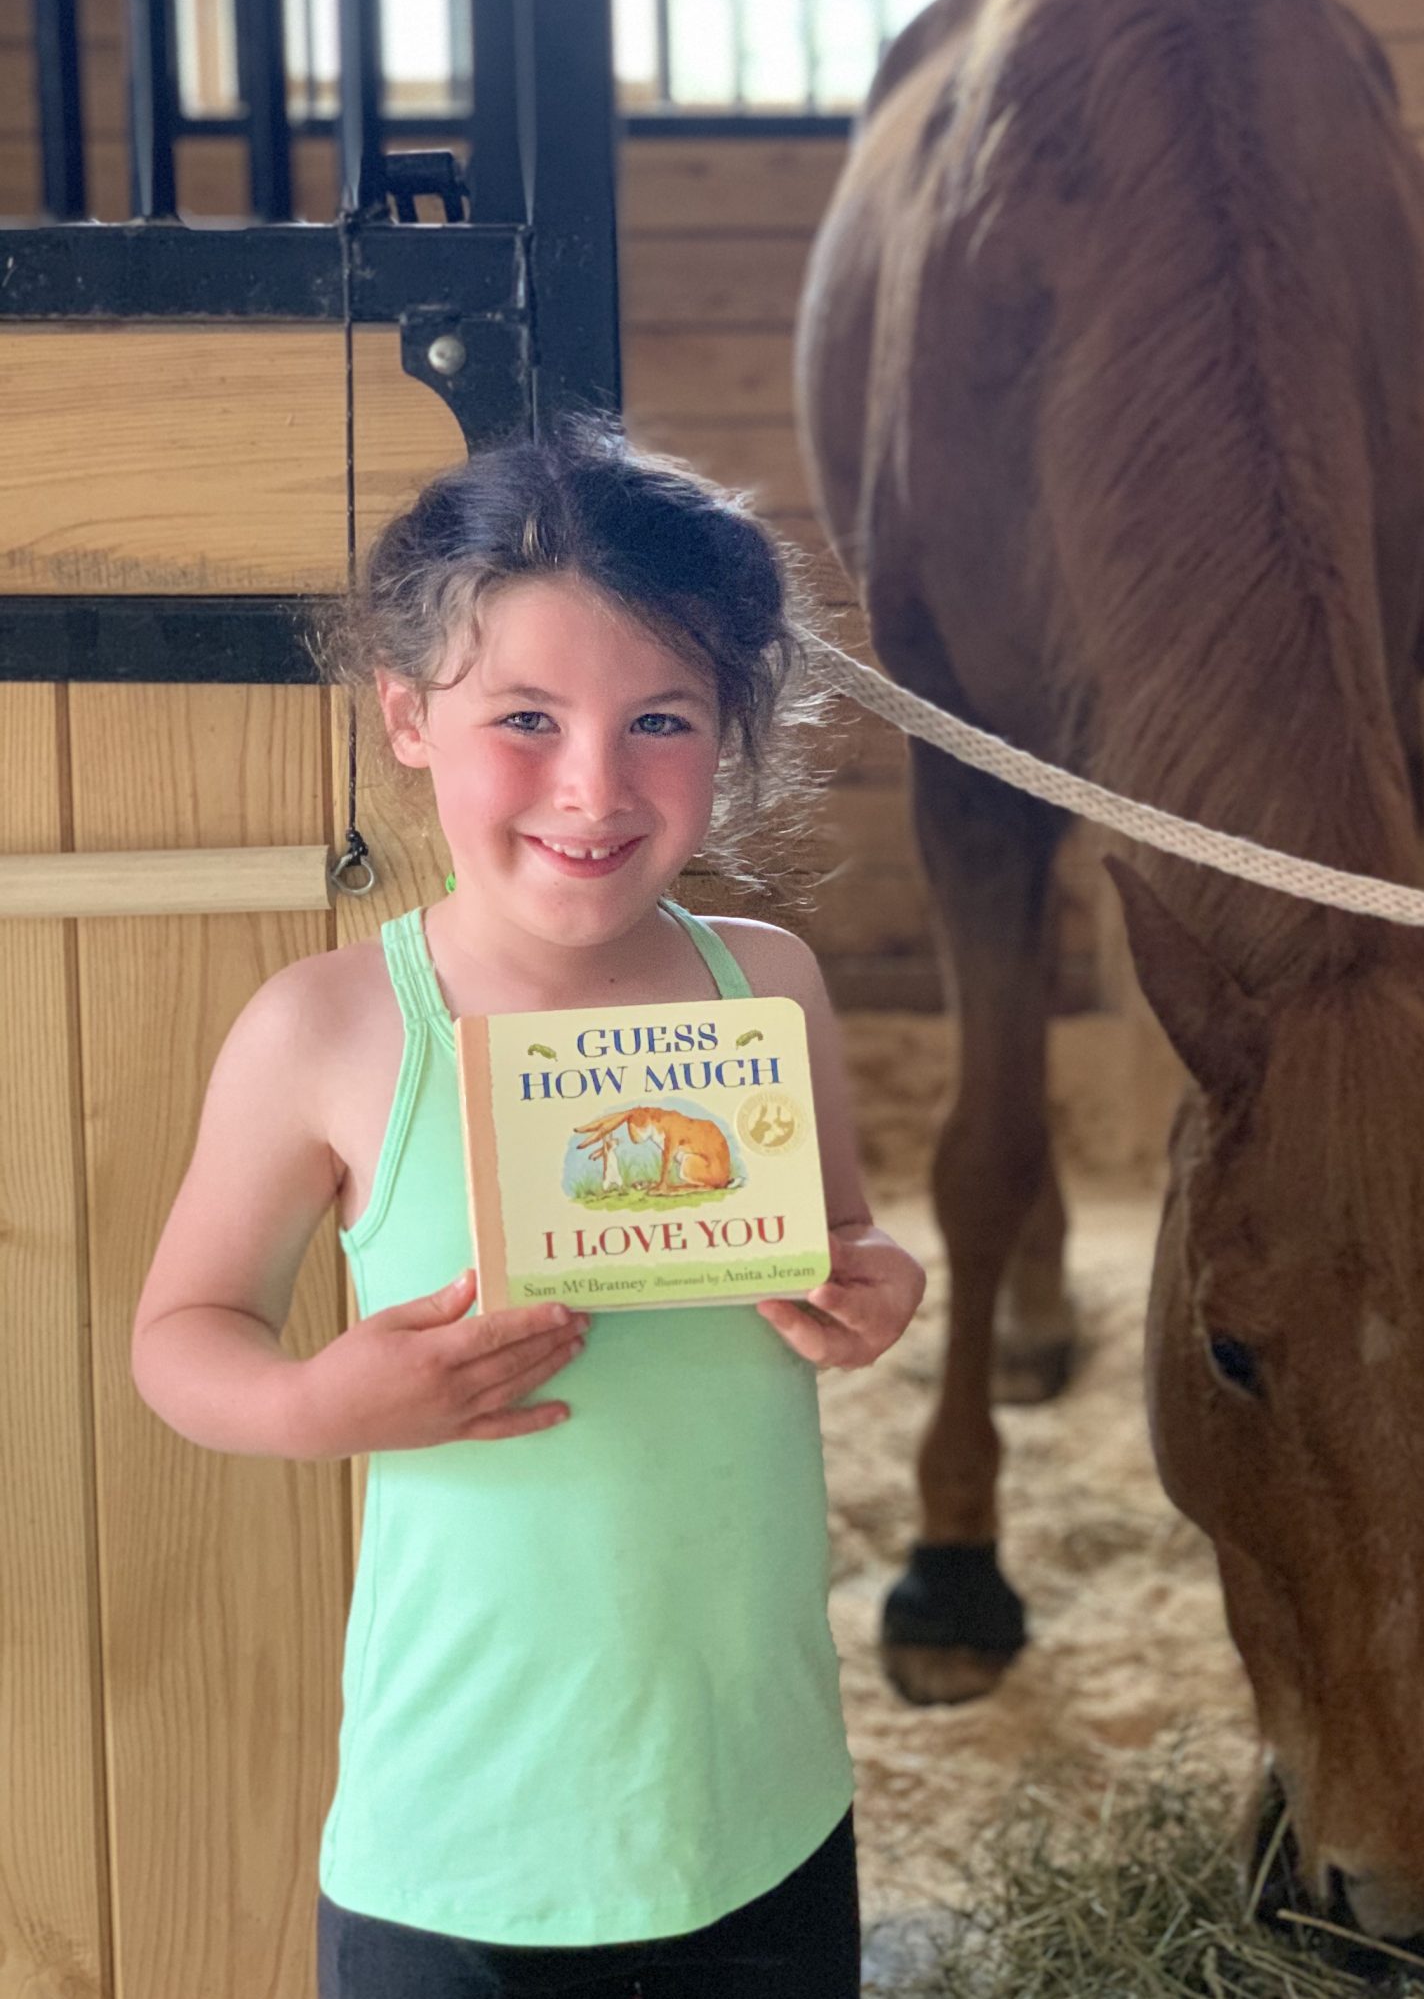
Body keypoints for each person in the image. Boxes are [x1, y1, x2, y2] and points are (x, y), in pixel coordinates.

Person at [130, 422, 927, 1999]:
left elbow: (847, 1244)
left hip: (753, 1814)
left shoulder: (765, 984)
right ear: (408, 716)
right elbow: (179, 1332)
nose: (594, 785)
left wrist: (876, 1290)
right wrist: (311, 1398)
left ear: (732, 731)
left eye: (659, 719)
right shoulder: (335, 1028)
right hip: (460, 1844)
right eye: (525, 717)